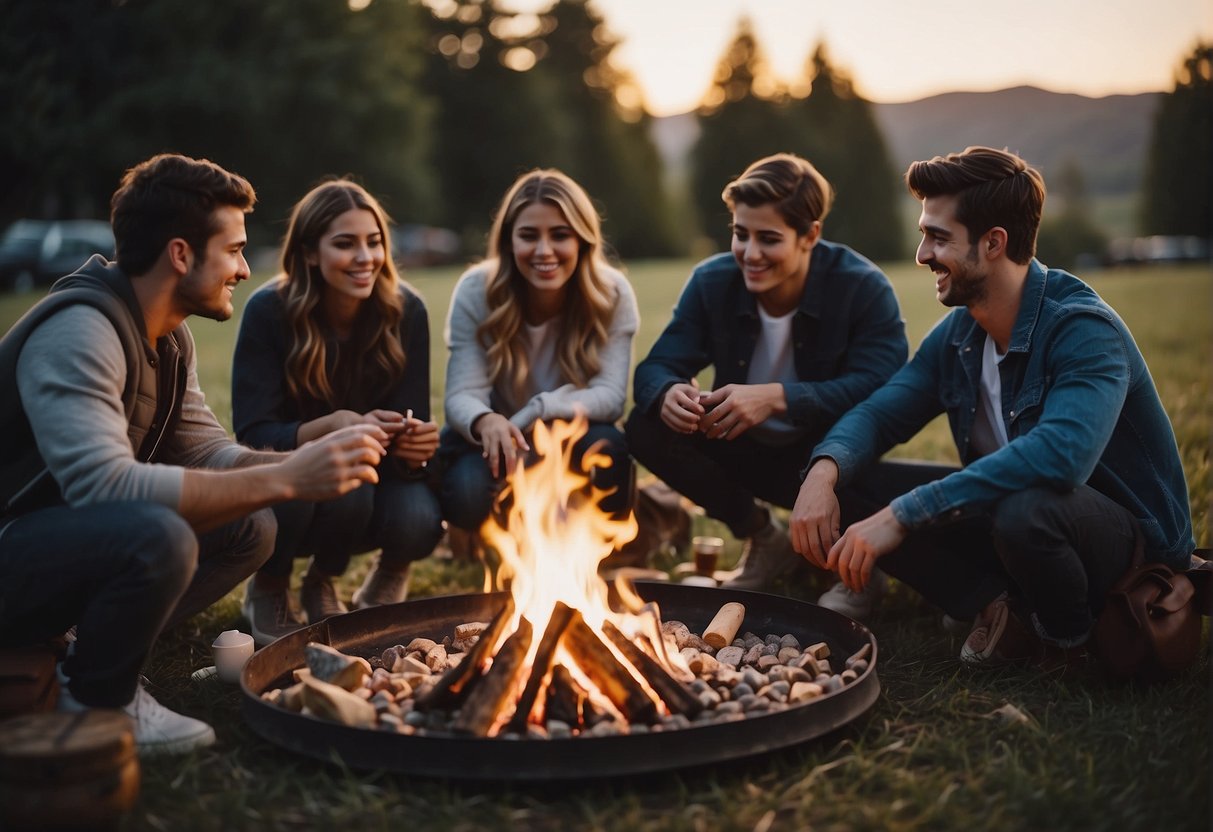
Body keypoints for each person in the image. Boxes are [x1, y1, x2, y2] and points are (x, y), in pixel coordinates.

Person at [0, 154, 388, 755]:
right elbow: (106, 490)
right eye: (233, 250)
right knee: (158, 534)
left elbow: (208, 452)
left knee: (251, 527)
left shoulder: (167, 335)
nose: (240, 268)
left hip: (53, 550)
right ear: (181, 254)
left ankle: (91, 643)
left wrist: (307, 458)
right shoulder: (81, 330)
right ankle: (101, 696)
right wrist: (288, 475)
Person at [791, 146, 1194, 667]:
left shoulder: (1082, 328)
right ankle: (992, 602)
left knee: (1024, 506)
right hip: (1021, 524)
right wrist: (824, 473)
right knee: (859, 480)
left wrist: (905, 514)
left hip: (1124, 547)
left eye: (938, 237)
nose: (921, 254)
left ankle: (1064, 641)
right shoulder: (961, 333)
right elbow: (880, 412)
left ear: (994, 242)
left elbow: (1059, 459)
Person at [625, 153, 908, 598]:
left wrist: (777, 397)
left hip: (829, 456)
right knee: (646, 425)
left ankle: (849, 564)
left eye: (769, 239)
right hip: (742, 446)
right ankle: (764, 536)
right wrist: (666, 393)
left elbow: (883, 389)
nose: (750, 254)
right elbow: (655, 369)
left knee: (854, 468)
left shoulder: (862, 288)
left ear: (810, 235)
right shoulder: (713, 281)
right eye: (741, 234)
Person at [232, 180, 443, 645]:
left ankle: (324, 579)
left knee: (417, 517)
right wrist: (331, 428)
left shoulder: (406, 311)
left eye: (374, 242)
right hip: (289, 477)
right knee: (331, 481)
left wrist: (416, 450)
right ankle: (269, 583)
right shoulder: (269, 311)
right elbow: (252, 437)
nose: (366, 258)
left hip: (371, 477)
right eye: (345, 244)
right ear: (310, 253)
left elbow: (413, 440)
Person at [439, 169, 638, 534]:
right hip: (494, 435)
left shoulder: (613, 293)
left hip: (570, 431)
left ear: (582, 239)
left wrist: (538, 411)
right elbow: (460, 396)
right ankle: (496, 537)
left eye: (560, 235)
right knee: (466, 494)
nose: (544, 251)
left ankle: (586, 551)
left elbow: (610, 397)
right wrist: (487, 421)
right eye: (528, 236)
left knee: (609, 452)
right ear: (508, 242)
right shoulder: (475, 291)